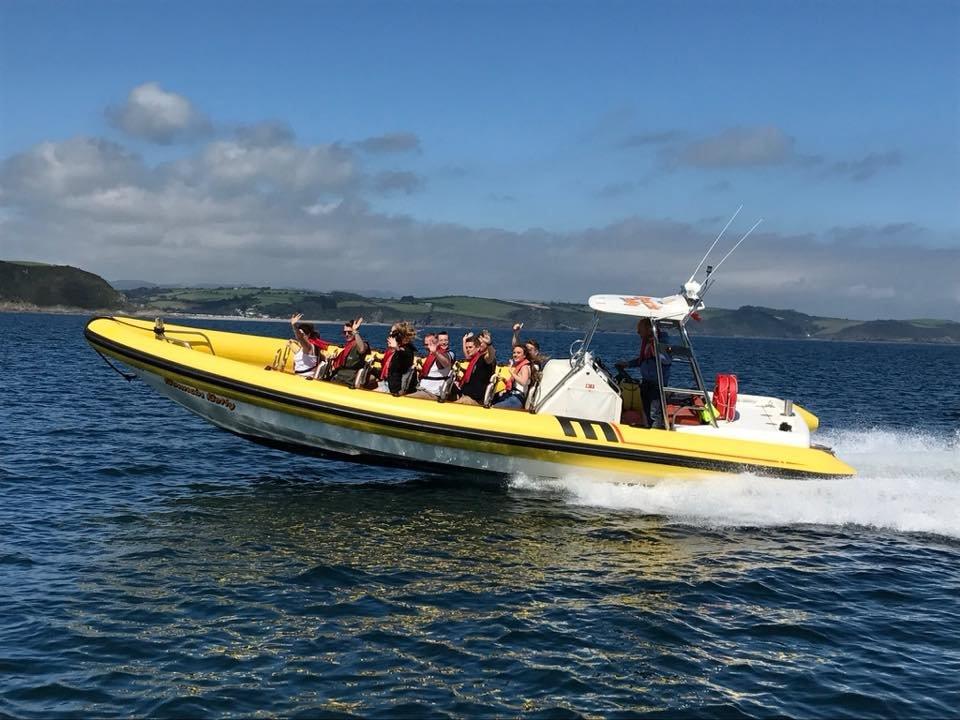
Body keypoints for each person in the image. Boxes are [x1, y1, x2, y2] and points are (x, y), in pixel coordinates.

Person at [616, 318, 671, 429]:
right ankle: (649, 429)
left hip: (656, 384)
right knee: (647, 412)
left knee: (654, 413)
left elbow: (666, 360)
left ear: (649, 329)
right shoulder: (647, 343)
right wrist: (628, 364)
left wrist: (655, 349)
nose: (638, 332)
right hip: (646, 382)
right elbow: (643, 360)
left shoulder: (661, 342)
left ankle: (656, 434)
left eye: (640, 329)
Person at [408, 330, 456, 400]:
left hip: (431, 393)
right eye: (426, 344)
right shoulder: (431, 355)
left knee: (406, 399)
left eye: (430, 344)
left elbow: (446, 363)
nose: (427, 347)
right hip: (422, 389)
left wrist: (436, 353)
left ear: (437, 343)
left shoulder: (444, 354)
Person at [373, 322, 417, 395]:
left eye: (393, 333)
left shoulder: (407, 350)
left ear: (399, 335)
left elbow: (403, 354)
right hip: (386, 382)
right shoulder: (395, 349)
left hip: (394, 388)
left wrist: (396, 348)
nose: (390, 334)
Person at [455, 330, 496, 405]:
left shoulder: (486, 358)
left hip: (474, 399)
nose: (480, 344)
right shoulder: (476, 357)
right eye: (479, 343)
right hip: (465, 392)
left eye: (482, 343)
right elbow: (467, 355)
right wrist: (464, 341)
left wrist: (489, 344)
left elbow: (491, 356)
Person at [329, 317, 369, 386]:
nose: (347, 334)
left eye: (349, 332)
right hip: (338, 377)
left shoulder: (362, 344)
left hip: (349, 380)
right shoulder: (347, 346)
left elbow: (362, 349)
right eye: (345, 332)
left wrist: (355, 332)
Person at [492, 344, 532, 409]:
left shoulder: (524, 367)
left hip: (517, 398)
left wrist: (511, 372)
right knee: (491, 400)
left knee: (495, 407)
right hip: (511, 394)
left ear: (524, 355)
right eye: (514, 353)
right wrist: (503, 379)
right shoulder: (518, 366)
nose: (515, 355)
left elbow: (523, 382)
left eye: (518, 353)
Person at [286, 313, 327, 378]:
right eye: (299, 333)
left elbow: (300, 338)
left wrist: (294, 325)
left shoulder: (309, 347)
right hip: (300, 377)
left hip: (304, 379)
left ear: (308, 335)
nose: (300, 335)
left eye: (302, 334)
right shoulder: (308, 349)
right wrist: (292, 344)